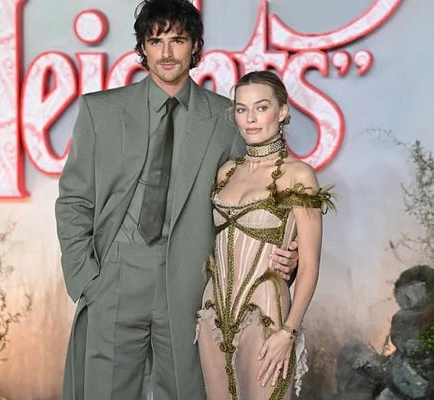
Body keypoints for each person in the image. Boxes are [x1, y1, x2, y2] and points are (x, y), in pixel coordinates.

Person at [55, 2, 299, 399]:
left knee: (188, 391)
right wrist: (87, 278)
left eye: (178, 40)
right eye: (156, 41)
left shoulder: (226, 119)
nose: (167, 53)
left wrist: (287, 252)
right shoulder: (101, 111)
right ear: (142, 47)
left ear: (195, 45)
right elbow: (74, 200)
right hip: (116, 272)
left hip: (193, 280)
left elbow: (256, 194)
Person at [195, 70, 335, 400]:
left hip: (265, 313)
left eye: (261, 107)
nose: (250, 119)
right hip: (212, 312)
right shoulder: (226, 172)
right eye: (241, 109)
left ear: (282, 111)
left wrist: (289, 331)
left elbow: (310, 266)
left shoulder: (299, 174)